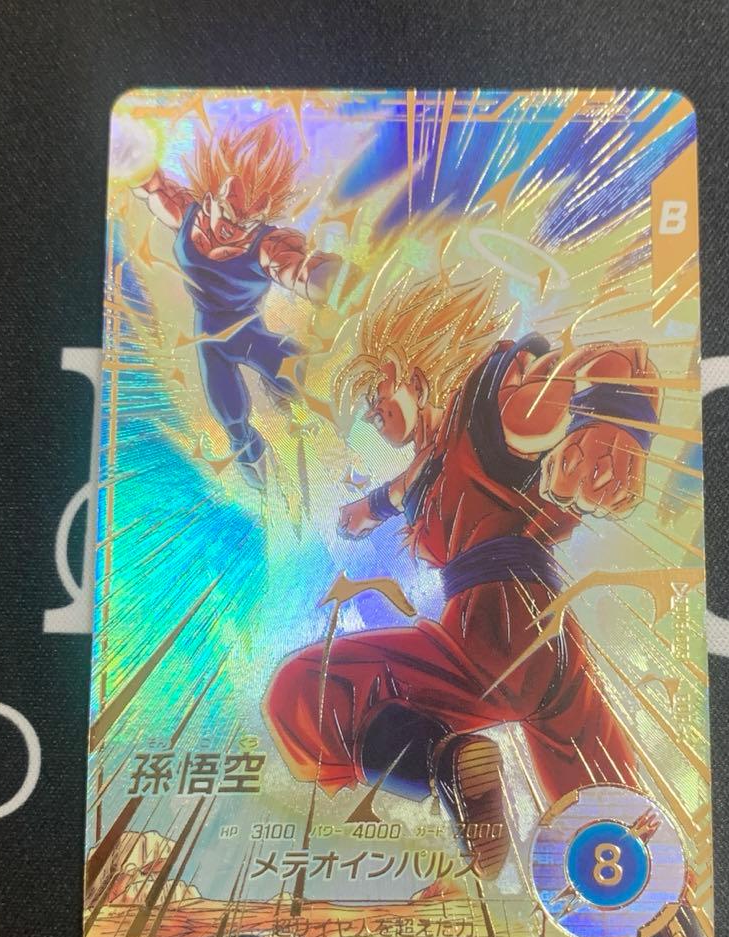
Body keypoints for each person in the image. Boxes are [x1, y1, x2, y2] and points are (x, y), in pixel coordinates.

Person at [262, 277, 659, 879]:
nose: (370, 411)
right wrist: (365, 510)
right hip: (549, 641)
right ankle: (663, 917)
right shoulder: (439, 459)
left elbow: (595, 370)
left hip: (490, 630)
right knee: (614, 827)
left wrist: (615, 422)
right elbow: (399, 491)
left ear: (409, 372)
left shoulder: (489, 403)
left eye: (376, 391)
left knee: (303, 691)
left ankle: (442, 762)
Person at [134, 117, 341, 488]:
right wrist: (129, 156)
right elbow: (150, 183)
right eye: (231, 210)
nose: (235, 227)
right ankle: (253, 456)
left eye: (250, 218)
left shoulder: (266, 244)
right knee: (231, 417)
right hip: (209, 335)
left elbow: (297, 270)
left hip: (248, 331)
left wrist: (328, 280)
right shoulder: (186, 213)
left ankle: (319, 436)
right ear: (214, 193)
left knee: (293, 373)